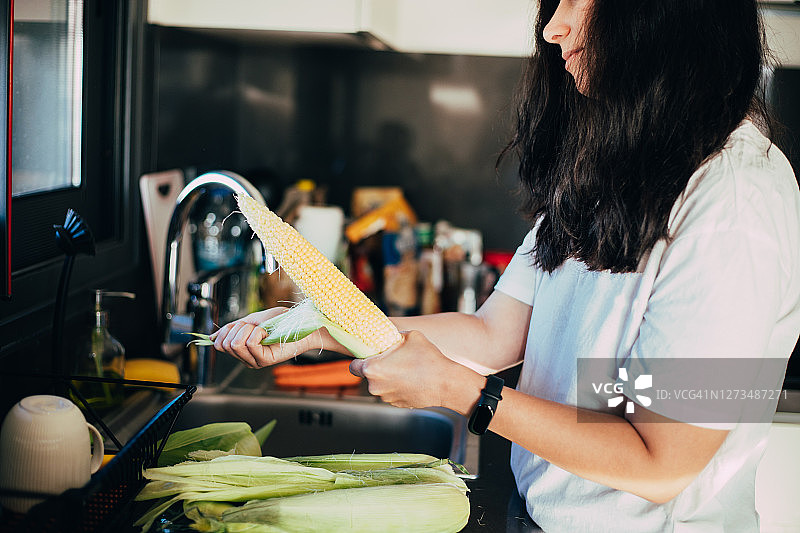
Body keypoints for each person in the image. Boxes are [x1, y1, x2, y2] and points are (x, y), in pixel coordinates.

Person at [210, 1, 800, 530]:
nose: (553, 27)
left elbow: (662, 463)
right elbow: (494, 335)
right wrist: (315, 329)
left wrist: (466, 394)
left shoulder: (733, 200)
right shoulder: (622, 161)